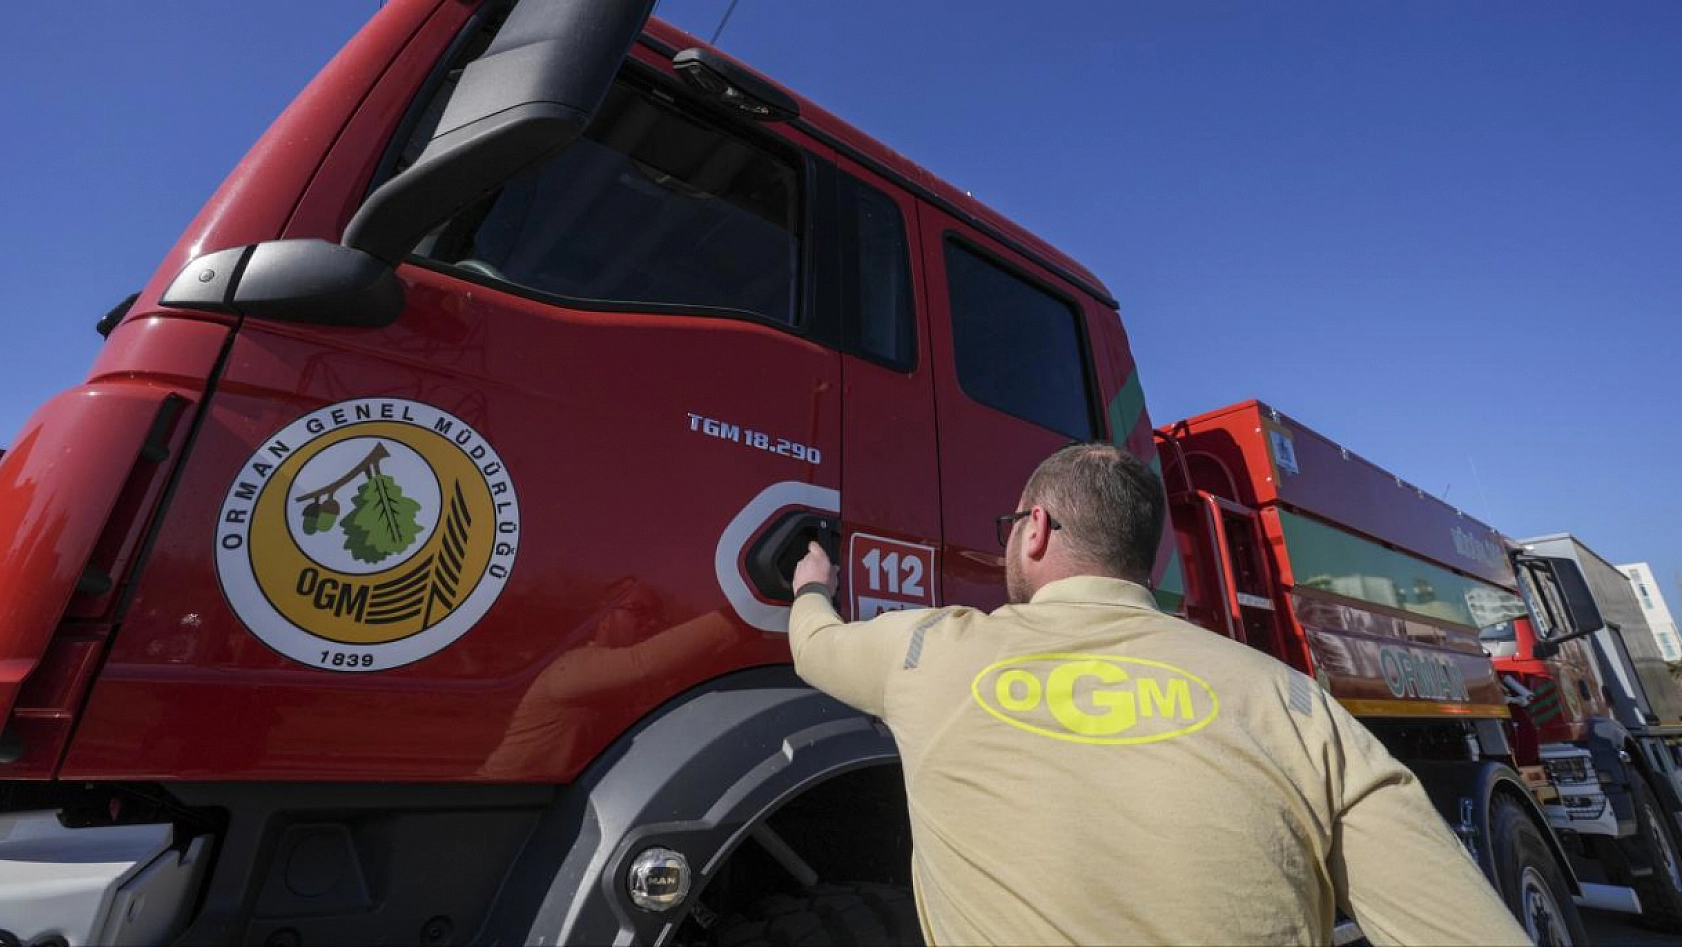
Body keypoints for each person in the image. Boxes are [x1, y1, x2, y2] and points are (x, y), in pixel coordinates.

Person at [786, 442, 1529, 946]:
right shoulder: (1295, 705)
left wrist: (812, 584)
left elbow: (812, 643)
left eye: (1011, 525)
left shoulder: (929, 650)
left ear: (1036, 529)